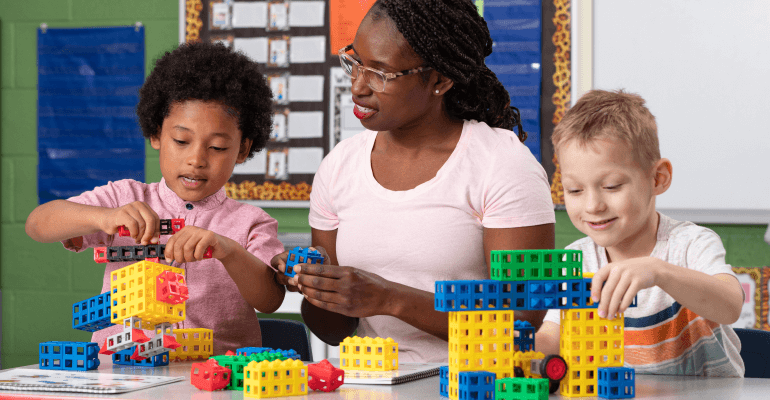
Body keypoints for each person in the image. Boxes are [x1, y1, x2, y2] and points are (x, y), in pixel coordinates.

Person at [272, 0, 555, 363]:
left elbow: (520, 326)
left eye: (381, 73)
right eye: (355, 62)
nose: (358, 86)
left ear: (439, 80)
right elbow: (332, 330)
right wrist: (315, 286)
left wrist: (389, 299)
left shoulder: (502, 165)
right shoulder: (340, 167)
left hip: (471, 384)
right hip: (371, 382)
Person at [25, 42, 285, 355]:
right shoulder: (125, 198)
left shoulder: (251, 223)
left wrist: (227, 249)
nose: (196, 159)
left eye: (217, 147)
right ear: (156, 135)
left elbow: (270, 300)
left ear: (242, 149)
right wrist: (103, 217)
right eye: (181, 141)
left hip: (214, 376)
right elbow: (37, 224)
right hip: (122, 371)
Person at [535, 89, 745, 376]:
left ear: (657, 178)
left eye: (611, 186)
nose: (593, 205)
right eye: (575, 190)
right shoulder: (576, 259)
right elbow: (552, 336)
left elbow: (730, 306)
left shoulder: (690, 244)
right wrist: (518, 347)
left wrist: (659, 271)